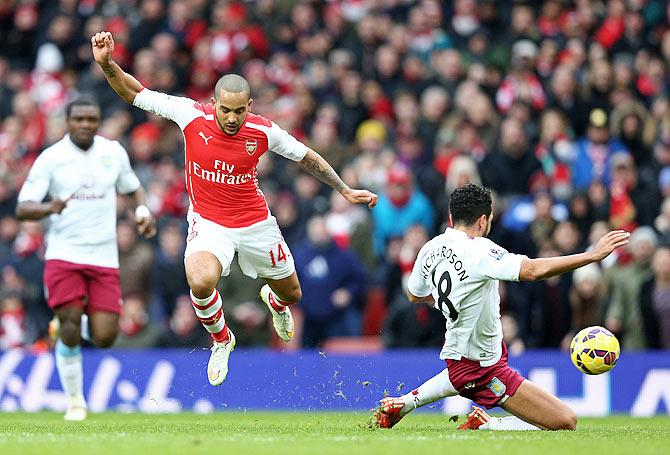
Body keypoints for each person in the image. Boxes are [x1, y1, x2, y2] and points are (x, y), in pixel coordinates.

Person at [91, 31, 378, 386]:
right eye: (225, 109)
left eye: (239, 111)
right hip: (209, 223)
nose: (231, 118)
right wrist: (106, 64)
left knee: (292, 294)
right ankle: (222, 339)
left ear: (250, 105)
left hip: (256, 222)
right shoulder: (190, 116)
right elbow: (134, 92)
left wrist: (345, 189)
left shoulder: (262, 131)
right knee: (199, 280)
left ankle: (274, 302)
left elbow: (309, 158)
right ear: (214, 103)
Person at [373, 183, 629, 431]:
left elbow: (414, 295)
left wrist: (453, 297)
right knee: (565, 421)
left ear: (451, 217)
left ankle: (405, 403)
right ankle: (488, 423)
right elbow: (533, 271)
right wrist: (591, 256)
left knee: (461, 376)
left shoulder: (431, 247)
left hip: (460, 355)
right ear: (483, 220)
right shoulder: (481, 250)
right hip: (483, 368)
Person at [15, 96, 156, 421]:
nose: (85, 125)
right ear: (68, 122)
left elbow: (133, 188)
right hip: (64, 255)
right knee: (69, 324)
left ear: (97, 121)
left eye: (91, 119)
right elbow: (23, 207)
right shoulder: (52, 159)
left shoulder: (112, 152)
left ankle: (67, 323)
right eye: (78, 119)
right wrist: (50, 207)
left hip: (104, 257)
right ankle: (76, 401)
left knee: (106, 337)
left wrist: (142, 210)